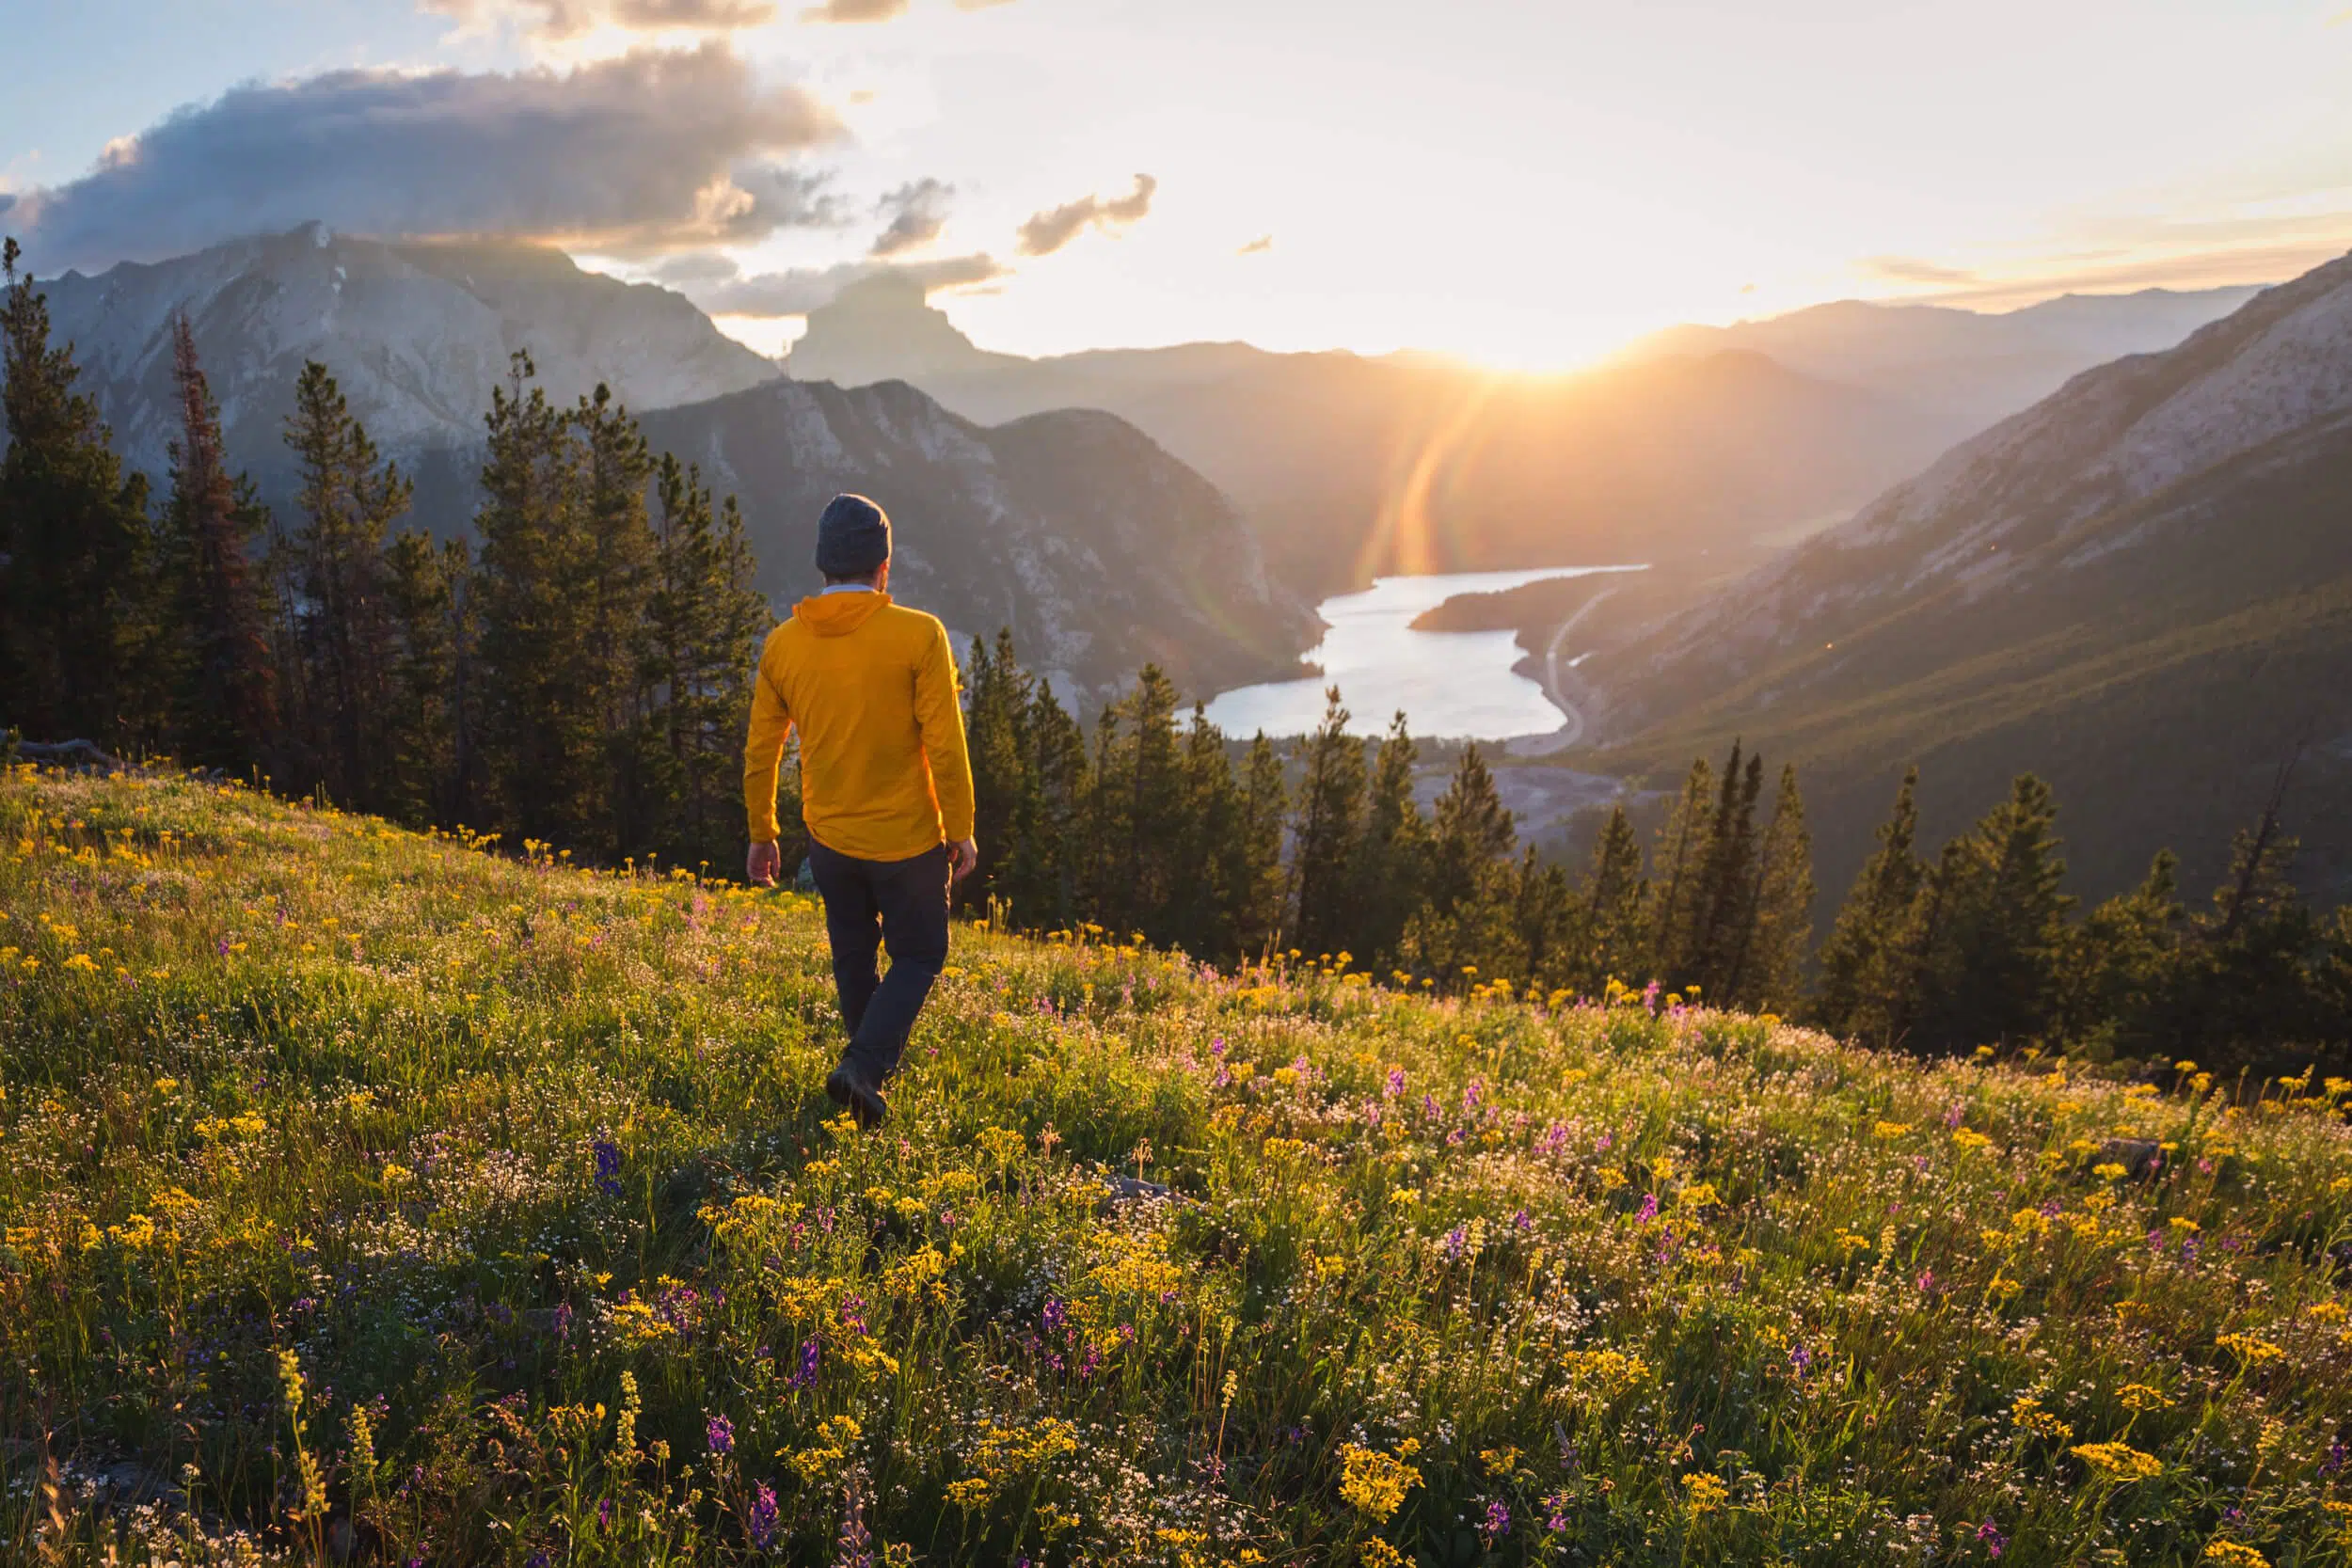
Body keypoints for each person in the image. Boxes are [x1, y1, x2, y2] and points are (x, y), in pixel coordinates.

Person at [743, 493, 977, 1128]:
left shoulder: (784, 645)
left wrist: (762, 833)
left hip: (831, 841)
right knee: (921, 953)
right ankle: (865, 1067)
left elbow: (762, 749)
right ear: (884, 565)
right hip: (907, 840)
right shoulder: (918, 635)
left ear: (823, 565)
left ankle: (862, 1079)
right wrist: (961, 830)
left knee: (853, 954)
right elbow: (945, 743)